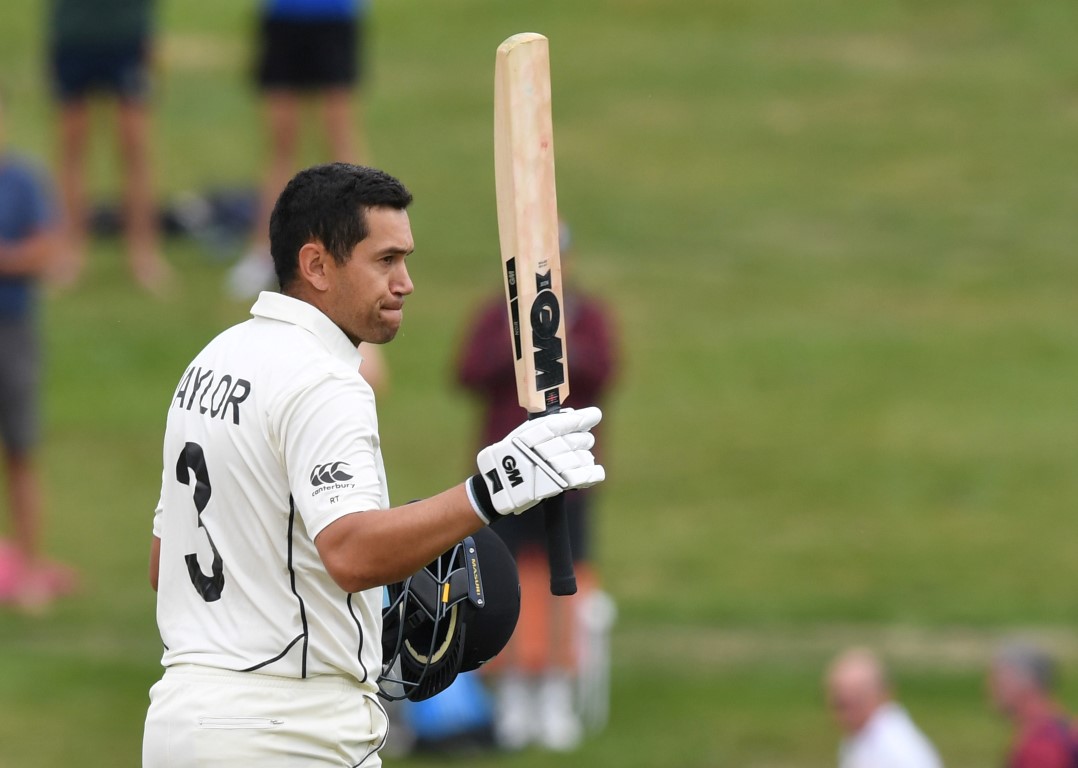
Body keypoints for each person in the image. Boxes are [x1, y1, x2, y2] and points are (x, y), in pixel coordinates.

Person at [142, 162, 605, 766]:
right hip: (288, 734)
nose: (406, 282)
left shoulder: (212, 361)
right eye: (385, 261)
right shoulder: (325, 380)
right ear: (316, 266)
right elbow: (352, 552)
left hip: (181, 723)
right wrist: (494, 489)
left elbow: (165, 563)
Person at [455, 222, 618, 751]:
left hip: (566, 476)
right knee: (504, 581)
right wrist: (520, 342)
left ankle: (554, 688)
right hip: (509, 476)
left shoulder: (584, 317)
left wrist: (556, 340)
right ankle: (511, 689)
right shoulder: (497, 318)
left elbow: (603, 369)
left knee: (563, 583)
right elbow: (468, 371)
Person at [226, 0, 372, 300]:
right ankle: (264, 251)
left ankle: (363, 245)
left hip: (334, 15)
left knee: (339, 135)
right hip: (283, 16)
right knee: (281, 142)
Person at [0, 91, 79, 611]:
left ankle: (29, 568)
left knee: (21, 450)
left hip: (12, 330)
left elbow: (49, 249)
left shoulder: (22, 180)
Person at [46, 0, 172, 294]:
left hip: (128, 35)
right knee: (72, 147)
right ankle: (70, 249)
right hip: (73, 34)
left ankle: (143, 252)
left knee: (135, 148)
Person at [825, 647, 942, 768]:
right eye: (840, 705)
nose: (844, 715)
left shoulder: (898, 749)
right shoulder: (859, 737)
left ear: (881, 694)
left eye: (855, 702)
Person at [989, 642, 1078, 768]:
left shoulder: (1042, 744)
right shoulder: (1064, 728)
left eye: (997, 680)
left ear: (1025, 682)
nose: (991, 688)